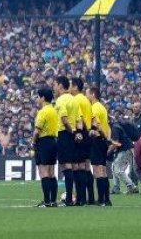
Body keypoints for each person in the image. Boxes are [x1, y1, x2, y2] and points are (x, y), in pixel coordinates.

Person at [53, 75, 82, 206]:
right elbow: (79, 120)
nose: (54, 87)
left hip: (64, 134)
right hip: (73, 134)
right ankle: (79, 197)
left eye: (54, 84)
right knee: (74, 165)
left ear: (60, 85)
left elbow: (64, 120)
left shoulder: (61, 100)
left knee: (66, 165)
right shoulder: (74, 100)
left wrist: (72, 132)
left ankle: (69, 198)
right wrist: (77, 132)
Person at [33, 86, 61, 207]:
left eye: (38, 97)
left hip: (43, 142)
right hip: (53, 141)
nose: (37, 99)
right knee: (51, 172)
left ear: (43, 98)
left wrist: (33, 142)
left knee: (43, 171)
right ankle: (53, 200)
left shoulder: (42, 111)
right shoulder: (54, 110)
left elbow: (37, 130)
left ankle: (46, 200)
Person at [86, 86, 112, 206]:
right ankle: (106, 199)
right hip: (103, 142)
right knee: (103, 170)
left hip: (97, 141)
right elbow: (107, 125)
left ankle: (101, 199)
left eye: (87, 94)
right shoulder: (102, 107)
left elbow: (97, 124)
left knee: (98, 170)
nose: (86, 96)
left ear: (93, 95)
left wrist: (97, 133)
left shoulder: (94, 107)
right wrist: (106, 137)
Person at [70, 77, 94, 204]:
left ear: (75, 87)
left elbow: (79, 118)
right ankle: (89, 197)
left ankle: (80, 198)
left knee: (77, 166)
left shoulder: (76, 100)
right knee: (85, 166)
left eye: (70, 85)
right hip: (87, 133)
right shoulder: (85, 99)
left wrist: (78, 133)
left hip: (81, 133)